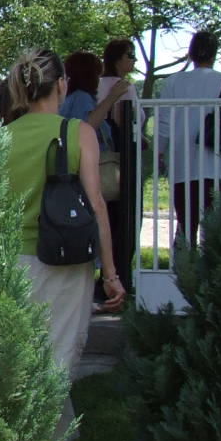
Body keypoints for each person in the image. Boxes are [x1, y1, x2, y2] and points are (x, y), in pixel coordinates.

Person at [4, 50, 126, 441]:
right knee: (53, 367)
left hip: (10, 264)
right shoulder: (79, 133)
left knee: (20, 362)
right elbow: (97, 204)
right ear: (61, 85)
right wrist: (111, 274)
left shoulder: (0, 136)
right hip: (66, 265)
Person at [156, 30, 221, 250]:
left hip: (182, 163)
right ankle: (213, 268)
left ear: (191, 53)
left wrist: (159, 152)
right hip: (219, 164)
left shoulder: (173, 82)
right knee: (216, 228)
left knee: (185, 224)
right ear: (215, 53)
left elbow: (164, 123)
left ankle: (182, 267)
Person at [97, 38, 141, 295]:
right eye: (129, 55)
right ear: (116, 59)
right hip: (120, 159)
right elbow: (128, 121)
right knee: (124, 221)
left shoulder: (96, 86)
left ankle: (105, 275)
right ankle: (120, 277)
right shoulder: (124, 87)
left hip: (99, 159)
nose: (133, 60)